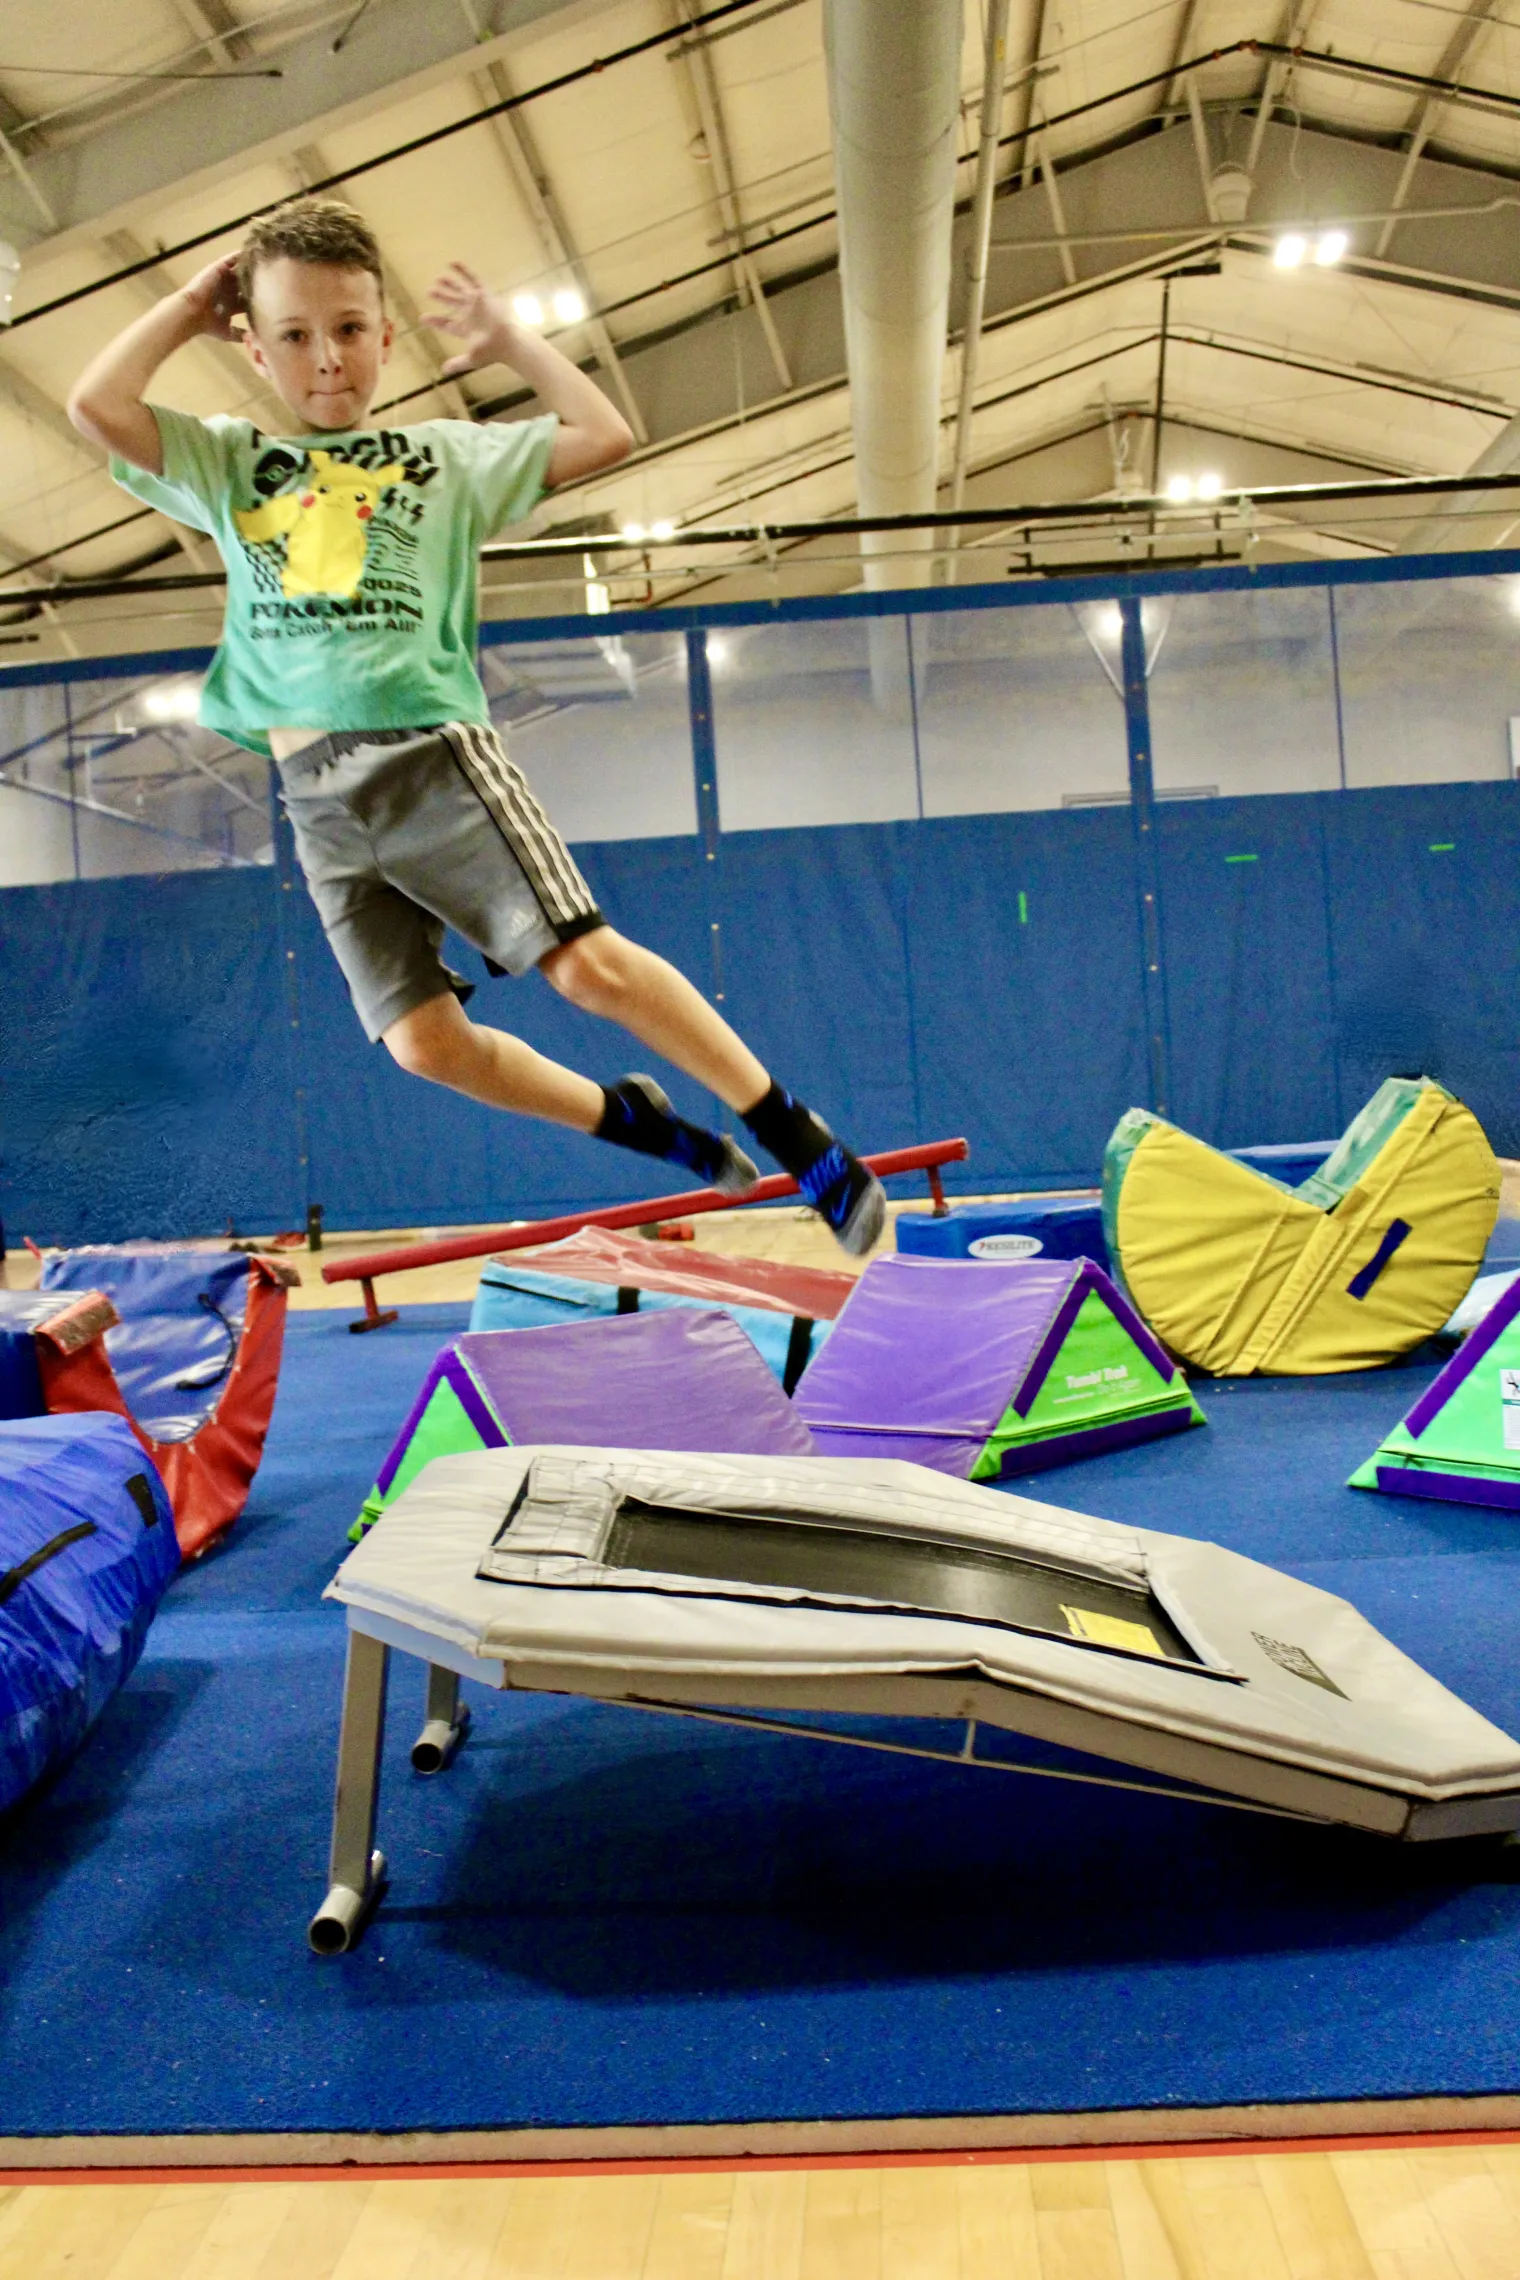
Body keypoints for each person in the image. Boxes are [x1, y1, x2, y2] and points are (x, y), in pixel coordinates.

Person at [67, 198, 885, 1253]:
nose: (327, 361)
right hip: (311, 802)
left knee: (586, 968)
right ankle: (631, 1120)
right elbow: (95, 405)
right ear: (255, 350)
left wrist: (509, 342)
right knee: (423, 1045)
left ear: (386, 338)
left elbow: (604, 434)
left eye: (350, 330)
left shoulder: (439, 460)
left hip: (426, 756)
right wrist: (187, 304)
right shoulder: (230, 465)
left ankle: (793, 1130)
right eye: (296, 336)